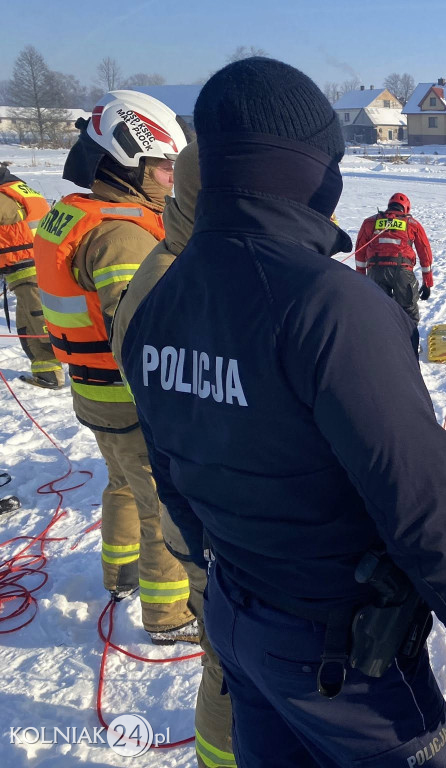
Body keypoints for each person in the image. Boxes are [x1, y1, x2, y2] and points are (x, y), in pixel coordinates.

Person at [118, 57, 446, 767]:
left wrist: (216, 576)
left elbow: (171, 471)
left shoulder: (160, 300)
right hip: (341, 658)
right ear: (308, 169)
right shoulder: (330, 306)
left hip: (242, 623)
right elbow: (422, 501)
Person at [33, 90, 196, 645]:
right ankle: (169, 613)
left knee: (122, 485)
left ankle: (120, 572)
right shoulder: (123, 236)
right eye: (163, 166)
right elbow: (141, 332)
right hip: (129, 397)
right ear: (127, 163)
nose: (172, 178)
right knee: (162, 508)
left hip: (94, 391)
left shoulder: (75, 214)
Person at [109, 140, 234, 768]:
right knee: (230, 660)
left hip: (197, 501)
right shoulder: (181, 283)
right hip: (213, 517)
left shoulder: (173, 261)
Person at [0, 162, 63, 389]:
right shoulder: (19, 188)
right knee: (28, 324)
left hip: (28, 266)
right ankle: (46, 374)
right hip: (40, 261)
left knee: (39, 323)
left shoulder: (3, 197)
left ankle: (61, 372)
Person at [354, 192, 434, 323]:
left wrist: (362, 277)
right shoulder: (413, 224)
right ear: (406, 208)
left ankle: (380, 341)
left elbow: (360, 252)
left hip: (376, 271)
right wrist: (427, 282)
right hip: (402, 271)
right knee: (408, 312)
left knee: (378, 313)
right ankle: (410, 342)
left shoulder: (370, 222)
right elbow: (425, 252)